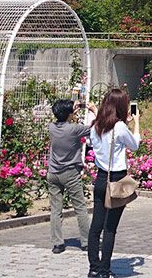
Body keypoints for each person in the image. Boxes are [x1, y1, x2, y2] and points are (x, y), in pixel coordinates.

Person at [87, 89, 141, 278]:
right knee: (110, 228)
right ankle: (104, 270)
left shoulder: (95, 126)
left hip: (101, 178)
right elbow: (135, 145)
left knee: (96, 226)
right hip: (117, 180)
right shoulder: (119, 127)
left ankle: (93, 267)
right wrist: (137, 123)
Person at [47, 99, 95, 254]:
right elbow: (96, 128)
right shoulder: (75, 129)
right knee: (80, 207)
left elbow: (65, 119)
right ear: (69, 113)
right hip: (70, 173)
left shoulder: (52, 127)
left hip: (53, 172)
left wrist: (71, 112)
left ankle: (57, 243)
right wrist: (94, 111)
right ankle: (86, 242)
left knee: (56, 209)